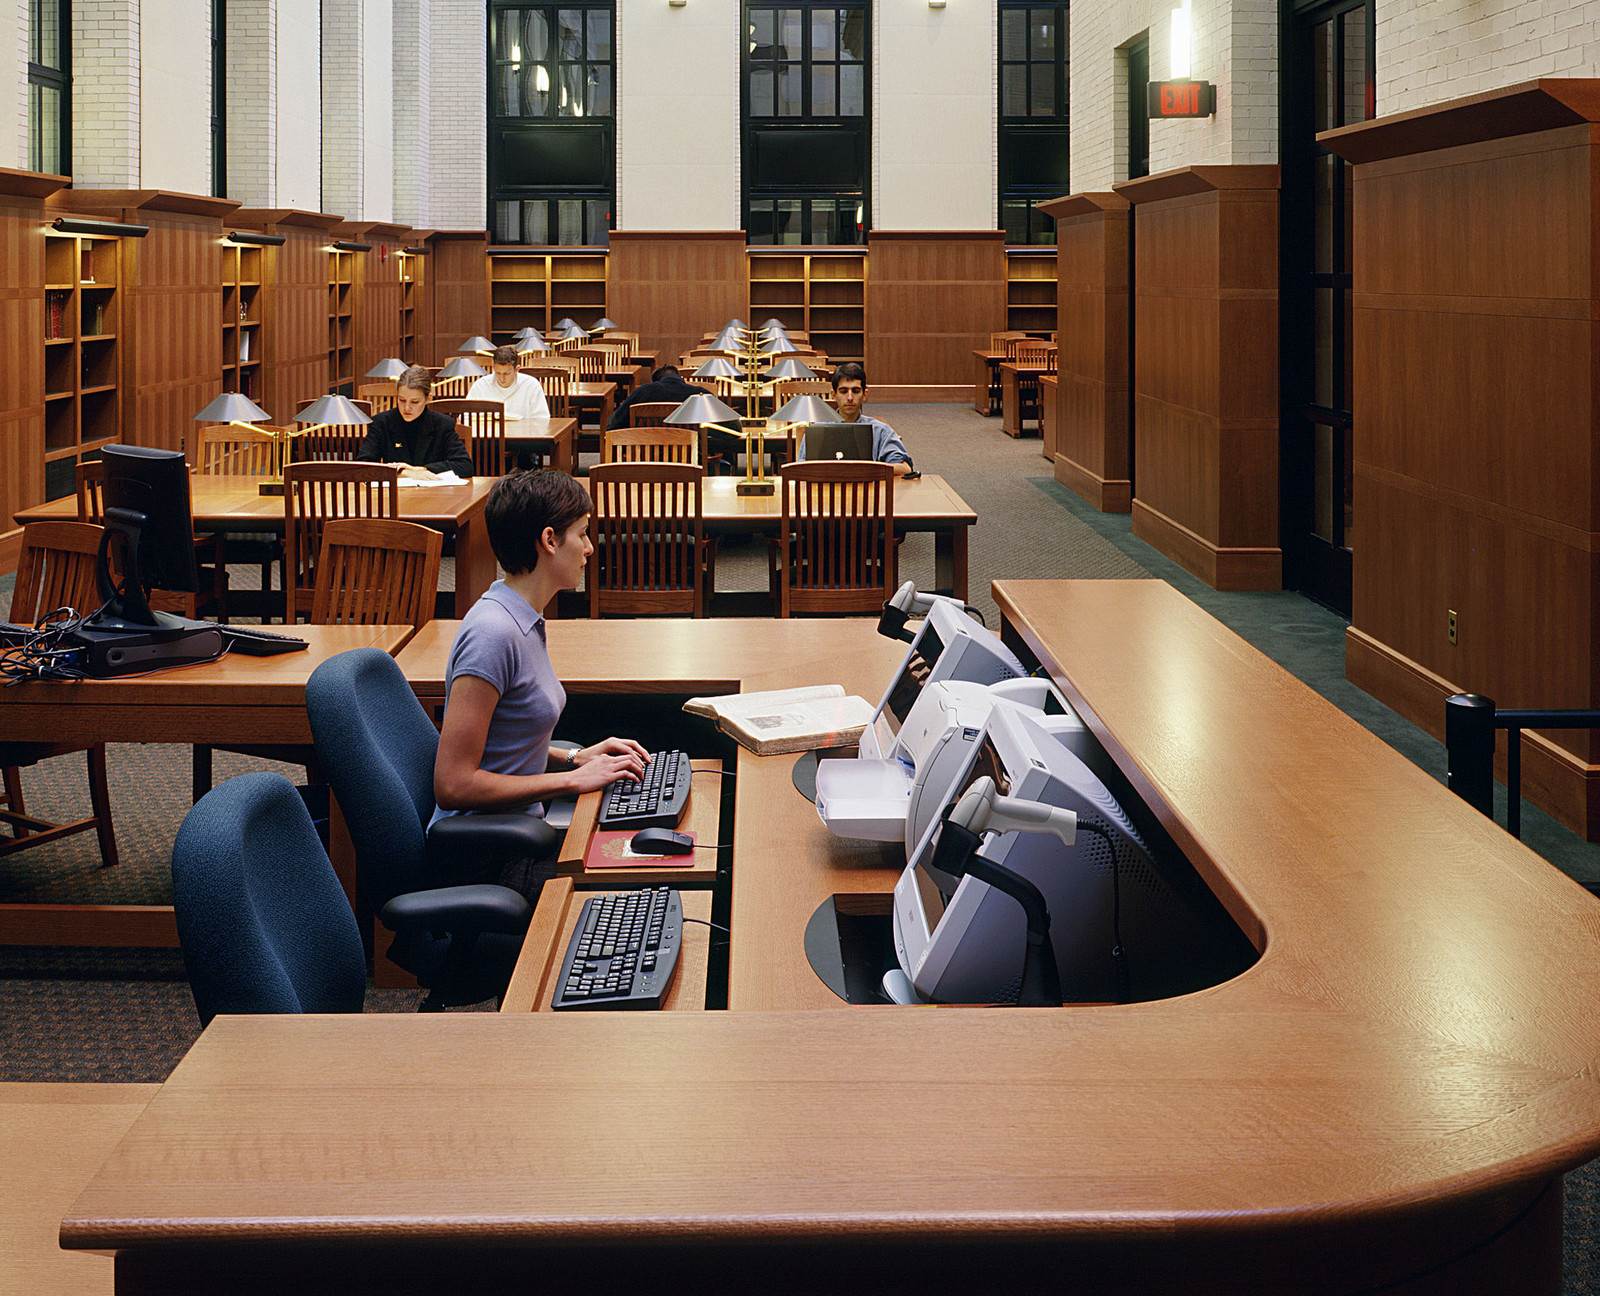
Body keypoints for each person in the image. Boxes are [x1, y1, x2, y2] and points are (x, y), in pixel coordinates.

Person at [432, 470, 648, 872]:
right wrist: (571, 781)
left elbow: (507, 746)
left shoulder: (522, 617)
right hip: (491, 855)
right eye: (582, 534)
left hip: (519, 829)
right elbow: (454, 784)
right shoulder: (493, 634)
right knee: (642, 874)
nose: (589, 548)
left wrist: (576, 758)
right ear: (550, 540)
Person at [356, 364, 473, 479]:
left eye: (415, 402)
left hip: (433, 494)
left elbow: (465, 466)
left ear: (428, 398)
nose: (406, 408)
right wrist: (403, 473)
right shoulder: (381, 422)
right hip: (395, 494)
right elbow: (363, 465)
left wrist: (421, 470)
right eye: (402, 400)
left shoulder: (442, 424)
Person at [825, 361, 914, 475]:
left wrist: (867, 470)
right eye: (843, 391)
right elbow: (801, 468)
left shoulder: (881, 431)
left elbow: (905, 468)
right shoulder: (817, 430)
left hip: (870, 492)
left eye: (856, 391)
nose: (850, 397)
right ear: (833, 395)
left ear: (865, 394)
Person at [606, 364, 709, 430]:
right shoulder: (699, 394)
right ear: (681, 378)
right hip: (690, 458)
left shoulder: (642, 391)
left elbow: (613, 424)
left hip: (645, 456)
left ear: (655, 381)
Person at [466, 344, 550, 421]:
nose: (502, 378)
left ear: (517, 369)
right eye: (498, 373)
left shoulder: (531, 385)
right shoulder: (480, 386)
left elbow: (542, 419)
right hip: (488, 436)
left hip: (522, 435)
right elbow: (466, 417)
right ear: (493, 367)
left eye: (507, 373)